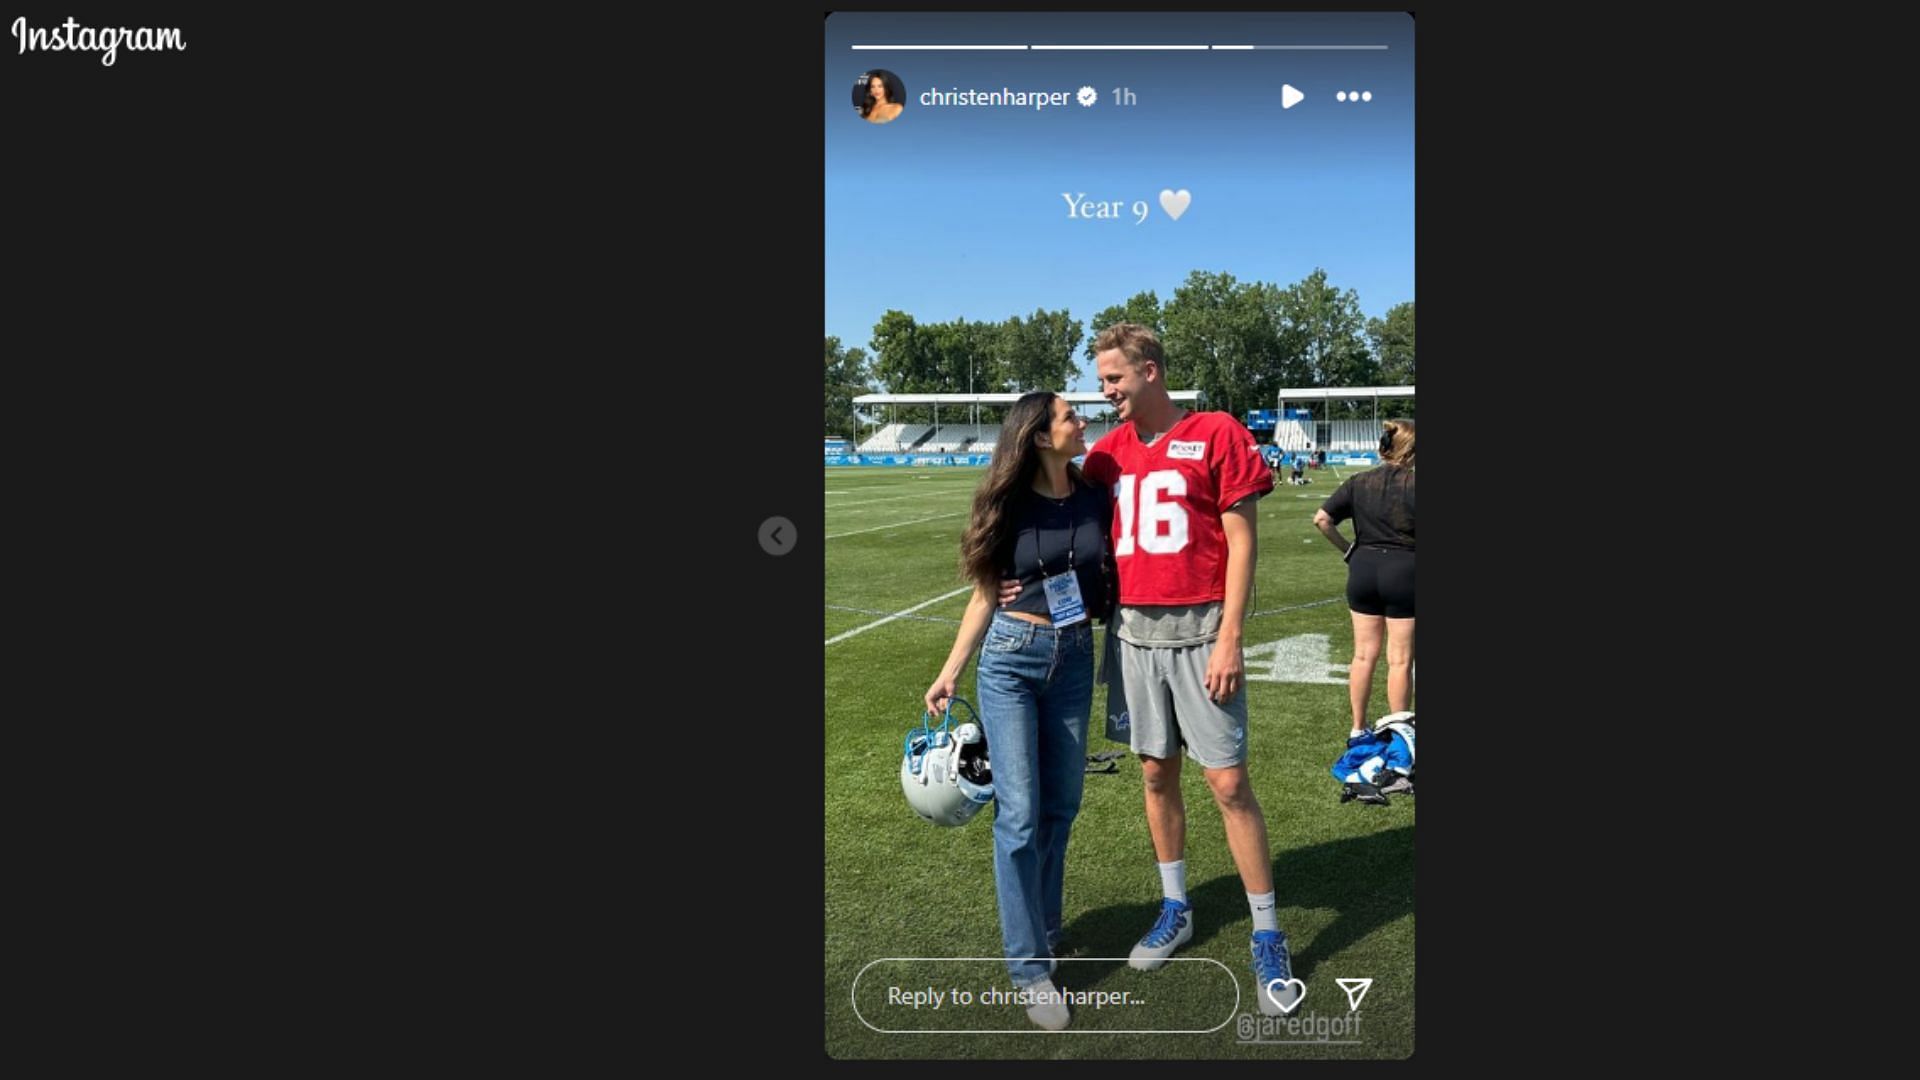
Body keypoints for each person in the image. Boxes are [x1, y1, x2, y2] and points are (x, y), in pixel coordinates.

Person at [1009, 323, 1299, 1017]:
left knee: (1228, 781)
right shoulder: (1105, 456)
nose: (1104, 392)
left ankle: (1267, 933)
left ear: (1150, 371)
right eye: (1101, 382)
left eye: (1113, 379)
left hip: (1202, 628)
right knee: (1153, 772)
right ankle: (1177, 906)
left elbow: (1241, 540)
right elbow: (1047, 502)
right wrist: (1014, 577)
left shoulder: (1219, 432)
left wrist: (1231, 636)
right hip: (1132, 633)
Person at [924, 391, 1111, 1031]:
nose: (1083, 421)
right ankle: (1029, 970)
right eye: (1069, 417)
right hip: (1012, 657)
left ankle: (1048, 926)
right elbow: (983, 595)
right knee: (1022, 815)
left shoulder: (1093, 493)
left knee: (1063, 806)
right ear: (1037, 435)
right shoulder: (1005, 503)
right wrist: (950, 672)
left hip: (1076, 656)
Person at [1313, 419, 1415, 741]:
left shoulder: (1359, 481)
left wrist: (1349, 551)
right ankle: (1399, 736)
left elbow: (1322, 519)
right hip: (1405, 571)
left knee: (1362, 654)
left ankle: (1358, 729)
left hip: (1363, 570)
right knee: (1399, 659)